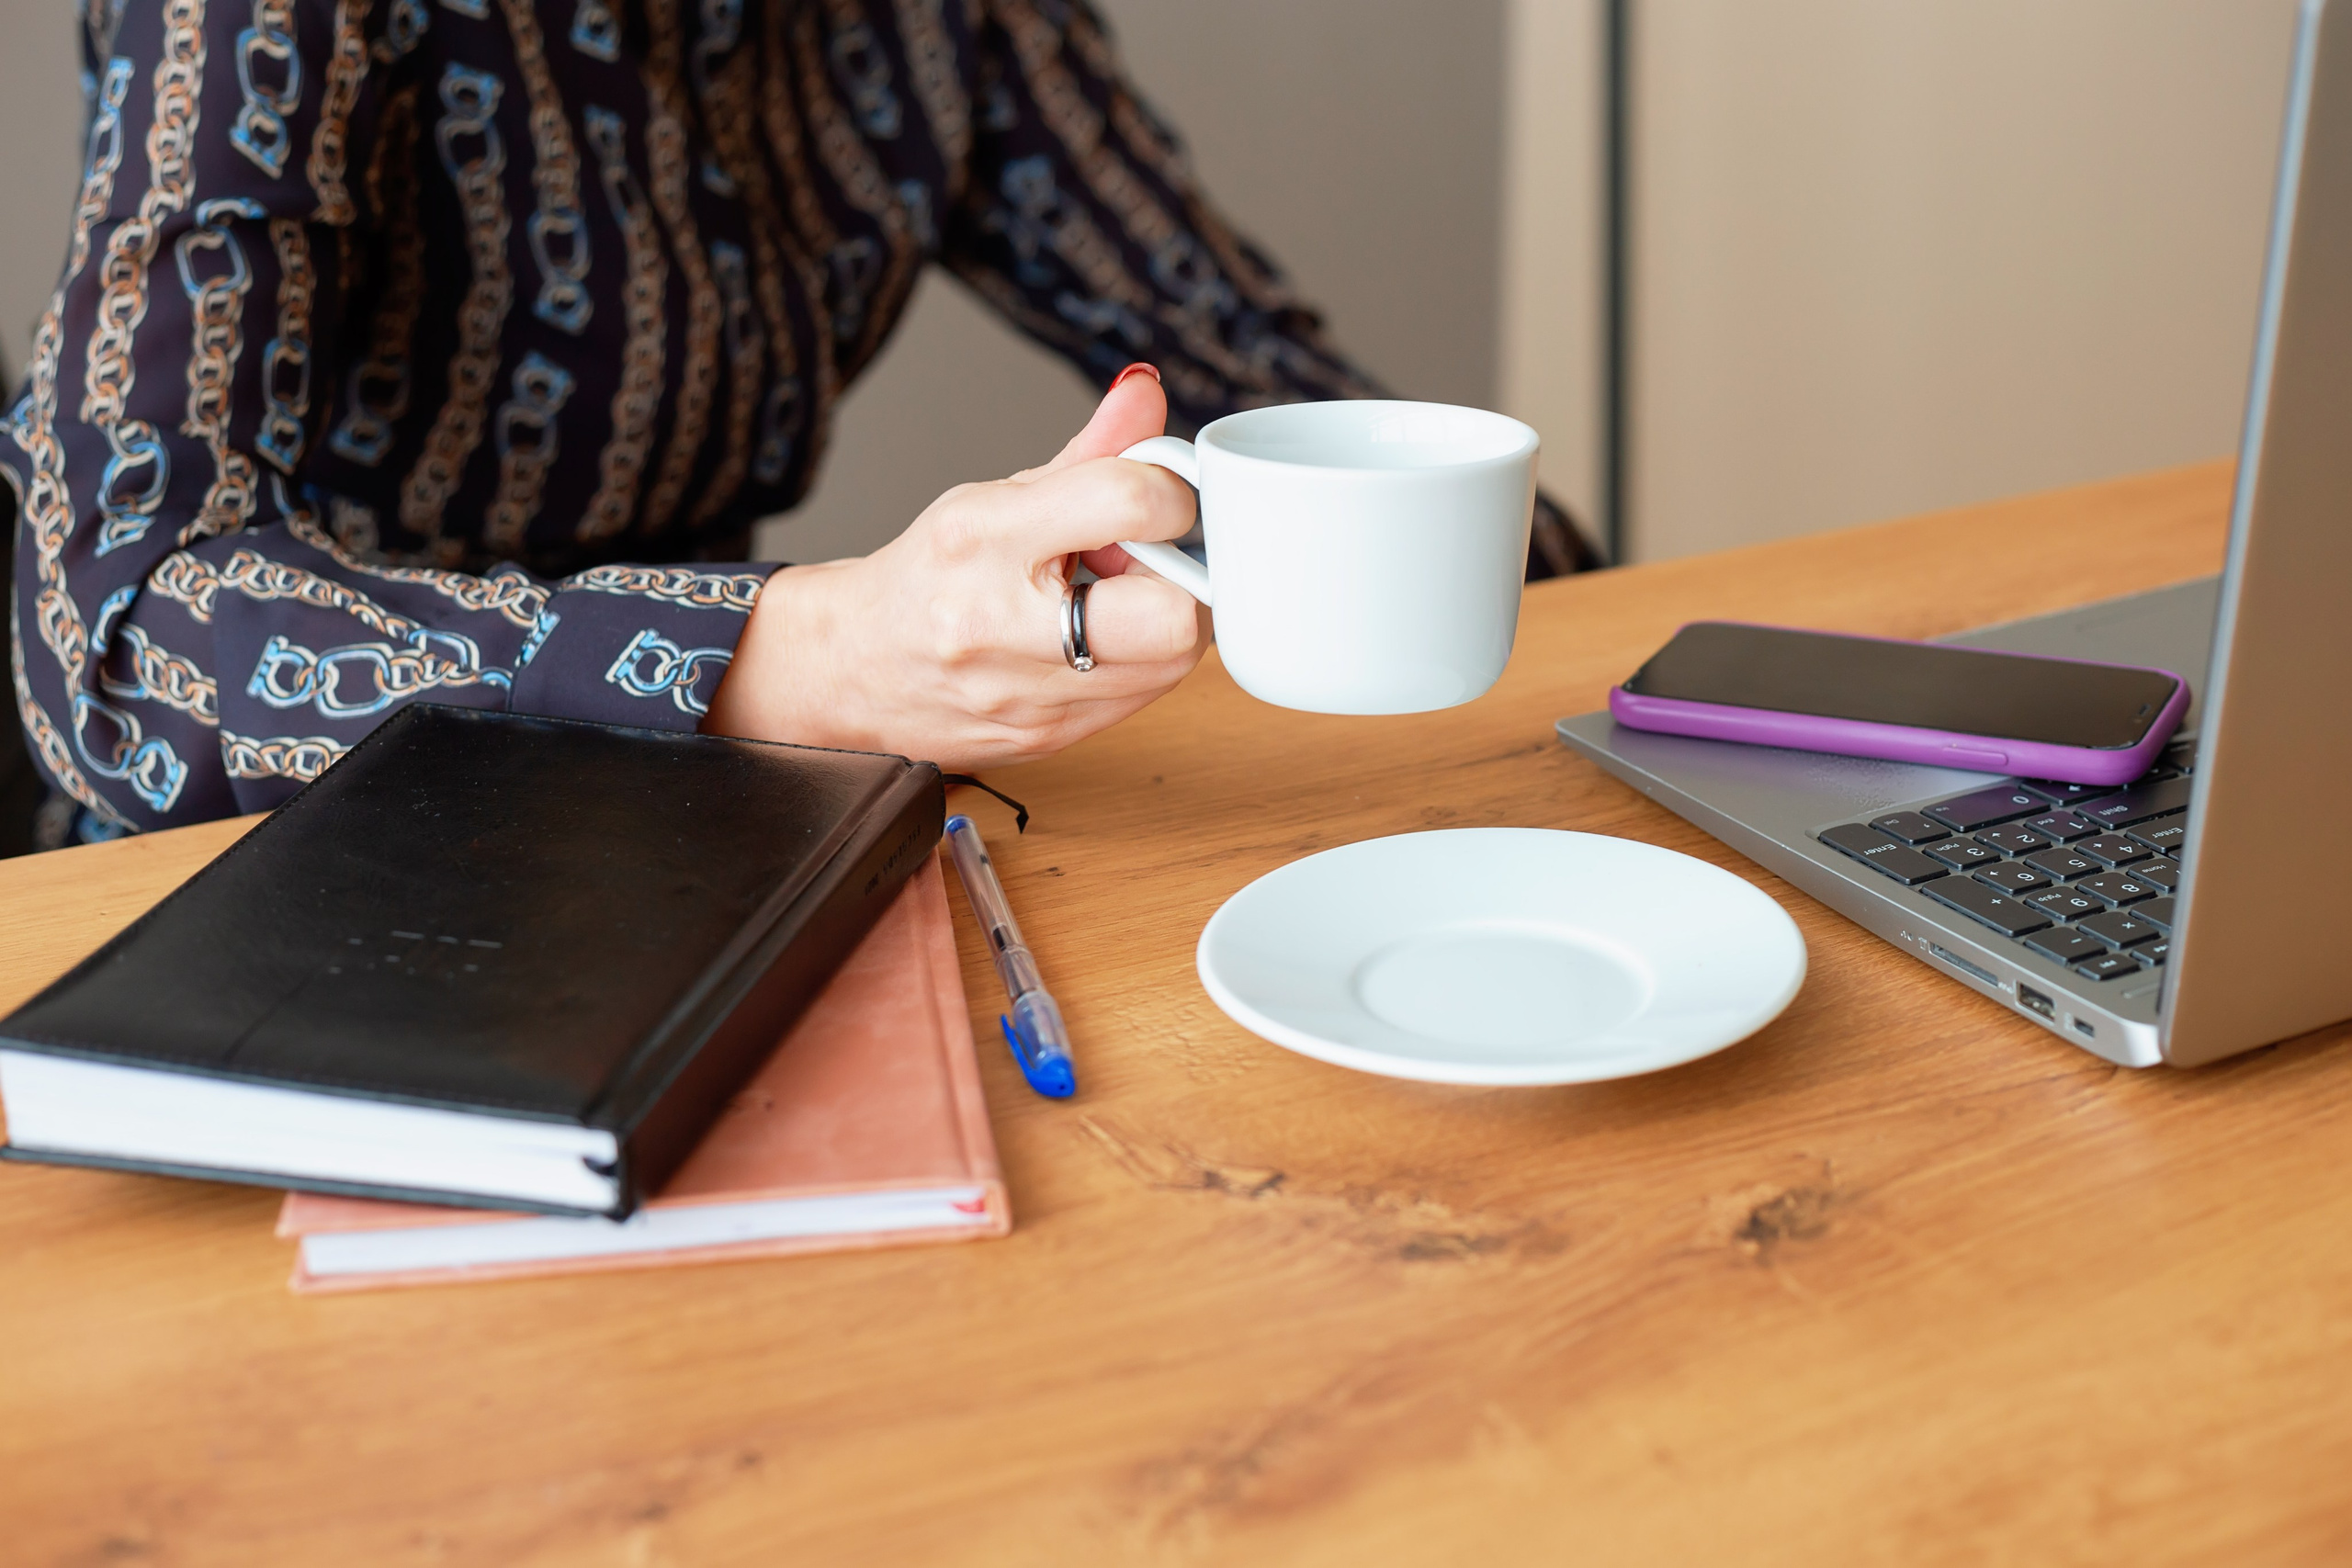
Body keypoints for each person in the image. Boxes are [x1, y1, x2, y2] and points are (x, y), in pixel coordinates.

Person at [6, 0, 1595, 849]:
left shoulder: (932, 27)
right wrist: (810, 659)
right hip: (253, 863)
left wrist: (1549, 595)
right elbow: (119, 640)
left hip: (685, 839)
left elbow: (1251, 372)